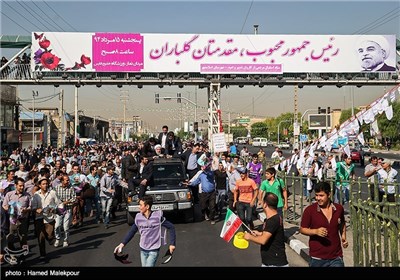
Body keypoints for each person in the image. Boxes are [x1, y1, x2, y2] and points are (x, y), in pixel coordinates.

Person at [114, 195, 176, 267]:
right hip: (143, 249)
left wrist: (172, 244)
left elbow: (171, 227)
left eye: (140, 205)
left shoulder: (157, 217)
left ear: (147, 207)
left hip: (154, 249)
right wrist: (122, 244)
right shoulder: (138, 217)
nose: (139, 207)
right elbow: (132, 231)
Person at [300, 181, 348, 267]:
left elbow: (342, 223)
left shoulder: (338, 209)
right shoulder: (310, 210)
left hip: (336, 257)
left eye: (321, 195)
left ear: (329, 195)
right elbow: (302, 229)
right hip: (317, 259)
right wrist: (315, 231)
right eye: (316, 195)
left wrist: (343, 237)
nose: (318, 198)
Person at [244, 192, 289, 267]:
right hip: (270, 262)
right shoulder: (272, 219)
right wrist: (259, 233)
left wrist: (249, 237)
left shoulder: (273, 220)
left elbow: (263, 240)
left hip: (275, 263)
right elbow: (271, 234)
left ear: (265, 204)